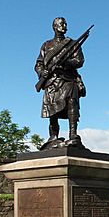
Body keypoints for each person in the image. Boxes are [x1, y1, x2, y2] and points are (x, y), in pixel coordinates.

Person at [35, 17, 86, 149]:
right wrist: (42, 73)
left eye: (65, 24)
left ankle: (73, 134)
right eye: (61, 24)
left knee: (72, 106)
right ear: (54, 27)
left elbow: (79, 61)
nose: (64, 26)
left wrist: (64, 64)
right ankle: (53, 137)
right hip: (51, 81)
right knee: (52, 111)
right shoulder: (46, 45)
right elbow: (39, 64)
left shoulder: (72, 44)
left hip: (68, 79)